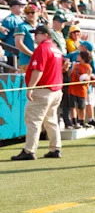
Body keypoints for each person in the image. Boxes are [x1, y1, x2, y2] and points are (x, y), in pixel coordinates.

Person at [11, 25, 64, 160]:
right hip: (56, 90)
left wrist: (31, 87)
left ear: (45, 35)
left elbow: (38, 69)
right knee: (51, 120)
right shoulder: (55, 48)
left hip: (43, 90)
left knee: (33, 121)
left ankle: (29, 150)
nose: (35, 36)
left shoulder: (42, 48)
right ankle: (55, 148)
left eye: (38, 34)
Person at [66, 49, 94, 129]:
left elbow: (88, 79)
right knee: (73, 106)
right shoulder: (75, 65)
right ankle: (74, 121)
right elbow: (69, 74)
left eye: (79, 56)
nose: (77, 57)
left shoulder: (88, 67)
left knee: (82, 107)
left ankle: (82, 121)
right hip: (73, 89)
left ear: (83, 58)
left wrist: (86, 79)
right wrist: (71, 68)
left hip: (82, 90)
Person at [14, 3, 39, 73]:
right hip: (27, 61)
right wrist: (32, 55)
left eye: (32, 12)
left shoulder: (41, 26)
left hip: (41, 60)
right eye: (27, 13)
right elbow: (18, 43)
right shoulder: (21, 26)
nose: (30, 14)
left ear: (38, 13)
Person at [1, 0, 25, 68]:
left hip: (20, 51)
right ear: (13, 7)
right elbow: (2, 36)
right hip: (11, 51)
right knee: (12, 70)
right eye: (20, 5)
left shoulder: (21, 19)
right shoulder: (9, 19)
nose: (22, 7)